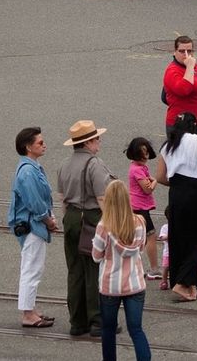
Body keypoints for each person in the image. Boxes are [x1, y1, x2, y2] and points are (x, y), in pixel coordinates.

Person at [56, 119, 115, 337]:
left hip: (71, 217)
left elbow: (62, 199)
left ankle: (77, 321)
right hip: (91, 217)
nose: (99, 141)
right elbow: (102, 198)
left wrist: (69, 220)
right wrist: (111, 223)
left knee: (75, 270)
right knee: (94, 269)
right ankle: (97, 321)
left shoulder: (64, 165)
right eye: (97, 138)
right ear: (88, 142)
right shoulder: (94, 164)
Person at [157, 110, 197, 303]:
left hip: (176, 193)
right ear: (194, 125)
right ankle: (183, 282)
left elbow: (160, 176)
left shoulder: (167, 145)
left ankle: (185, 284)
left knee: (178, 238)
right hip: (195, 193)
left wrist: (176, 184)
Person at [92, 179, 152, 361]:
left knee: (108, 330)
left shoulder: (104, 227)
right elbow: (140, 248)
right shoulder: (140, 222)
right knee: (136, 329)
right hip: (135, 283)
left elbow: (96, 256)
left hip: (111, 285)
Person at [7, 125, 59, 328]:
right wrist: (48, 220)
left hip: (33, 224)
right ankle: (28, 314)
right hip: (32, 226)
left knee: (33, 267)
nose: (44, 145)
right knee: (31, 268)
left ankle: (31, 309)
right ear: (28, 147)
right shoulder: (28, 172)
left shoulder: (30, 167)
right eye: (40, 142)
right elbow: (35, 202)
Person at [162, 35, 197, 138]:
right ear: (174, 52)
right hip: (184, 126)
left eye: (189, 51)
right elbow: (184, 90)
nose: (186, 55)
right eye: (182, 51)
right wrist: (190, 66)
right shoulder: (173, 71)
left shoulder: (192, 66)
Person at [125, 138, 161, 277]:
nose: (145, 157)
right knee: (151, 235)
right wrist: (156, 181)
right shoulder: (138, 170)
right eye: (142, 154)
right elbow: (147, 189)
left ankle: (135, 266)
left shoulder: (137, 167)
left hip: (137, 205)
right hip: (139, 207)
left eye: (146, 153)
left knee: (138, 236)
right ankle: (154, 268)